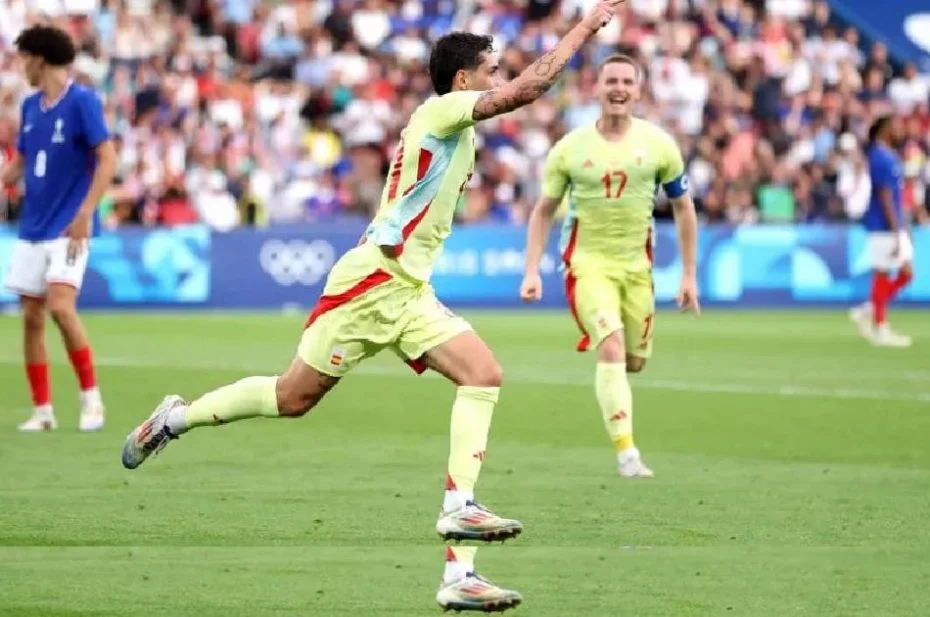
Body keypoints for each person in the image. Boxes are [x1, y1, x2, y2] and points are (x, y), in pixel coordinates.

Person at [121, 2, 626, 612]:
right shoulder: (441, 111)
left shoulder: (461, 131)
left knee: (483, 374)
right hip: (372, 282)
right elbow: (528, 89)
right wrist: (583, 27)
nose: (498, 78)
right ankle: (175, 418)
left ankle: (459, 563)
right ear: (463, 78)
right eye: (490, 70)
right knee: (292, 398)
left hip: (410, 292)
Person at [519, 54, 699, 478]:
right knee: (612, 346)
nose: (618, 88)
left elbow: (683, 208)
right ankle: (627, 454)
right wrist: (531, 269)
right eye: (611, 81)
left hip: (636, 269)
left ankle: (620, 415)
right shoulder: (570, 148)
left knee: (633, 362)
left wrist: (689, 275)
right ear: (596, 88)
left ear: (638, 90)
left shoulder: (659, 145)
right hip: (587, 265)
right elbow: (543, 210)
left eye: (626, 81)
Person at [1, 25, 116, 433]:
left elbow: (107, 158)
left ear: (39, 59)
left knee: (61, 309)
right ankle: (43, 411)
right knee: (31, 316)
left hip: (69, 225)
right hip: (33, 226)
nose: (21, 67)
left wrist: (87, 211)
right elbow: (21, 163)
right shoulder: (30, 107)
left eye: (23, 59)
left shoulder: (82, 101)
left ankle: (91, 399)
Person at [849, 115, 913, 347]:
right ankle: (880, 328)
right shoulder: (879, 156)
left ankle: (870, 308)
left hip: (893, 224)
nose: (900, 130)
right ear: (885, 129)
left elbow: (896, 195)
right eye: (896, 126)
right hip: (882, 224)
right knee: (883, 273)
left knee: (906, 273)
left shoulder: (889, 155)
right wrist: (896, 229)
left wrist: (903, 226)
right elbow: (884, 195)